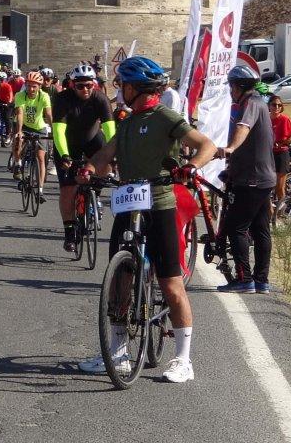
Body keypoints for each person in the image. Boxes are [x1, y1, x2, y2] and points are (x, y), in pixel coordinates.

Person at [77, 56, 217, 383]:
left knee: (170, 283)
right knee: (120, 280)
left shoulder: (164, 116)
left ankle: (183, 359)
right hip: (128, 203)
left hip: (160, 203)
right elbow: (106, 154)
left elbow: (205, 145)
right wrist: (90, 168)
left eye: (123, 85)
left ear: (136, 87)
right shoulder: (127, 121)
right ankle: (118, 352)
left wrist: (192, 165)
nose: (120, 90)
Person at [216, 65, 277, 293]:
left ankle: (244, 279)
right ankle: (261, 280)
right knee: (260, 229)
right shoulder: (259, 103)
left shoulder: (250, 103)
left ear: (239, 86)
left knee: (237, 228)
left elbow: (243, 128)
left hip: (252, 179)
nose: (230, 91)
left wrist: (230, 148)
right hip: (262, 177)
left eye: (232, 87)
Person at [52, 64, 115, 253]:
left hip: (92, 140)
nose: (85, 89)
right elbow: (58, 131)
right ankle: (70, 231)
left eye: (89, 85)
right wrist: (64, 155)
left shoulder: (100, 98)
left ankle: (95, 193)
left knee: (107, 165)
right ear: (72, 85)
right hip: (67, 144)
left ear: (94, 84)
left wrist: (115, 154)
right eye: (80, 86)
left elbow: (110, 130)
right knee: (68, 189)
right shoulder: (62, 99)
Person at [12, 71, 53, 199]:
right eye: (29, 86)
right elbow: (20, 114)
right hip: (24, 126)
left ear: (39, 86)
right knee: (17, 141)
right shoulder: (20, 95)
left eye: (34, 86)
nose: (31, 89)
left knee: (41, 157)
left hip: (39, 128)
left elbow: (48, 114)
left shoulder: (44, 96)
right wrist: (19, 131)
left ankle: (40, 190)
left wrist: (54, 131)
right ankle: (18, 164)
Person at [268, 94, 291, 207]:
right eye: (274, 105)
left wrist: (279, 143)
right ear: (269, 106)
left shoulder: (284, 119)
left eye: (279, 105)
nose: (277, 107)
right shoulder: (265, 118)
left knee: (279, 186)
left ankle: (282, 209)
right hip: (268, 154)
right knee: (267, 184)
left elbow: (289, 140)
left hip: (281, 154)